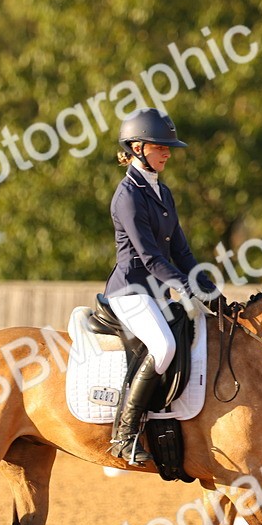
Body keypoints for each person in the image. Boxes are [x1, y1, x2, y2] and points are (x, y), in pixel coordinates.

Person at [103, 108, 224, 465]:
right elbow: (150, 256)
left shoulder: (161, 191)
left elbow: (181, 251)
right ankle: (124, 434)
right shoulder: (127, 196)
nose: (168, 152)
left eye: (169, 147)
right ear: (138, 147)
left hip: (154, 291)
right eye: (161, 147)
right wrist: (185, 289)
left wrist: (210, 290)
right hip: (130, 290)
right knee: (164, 345)